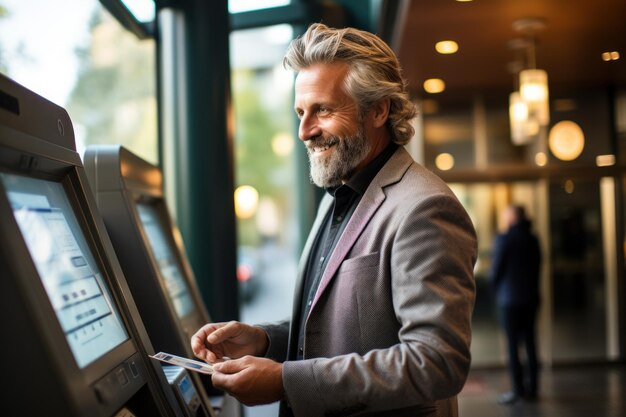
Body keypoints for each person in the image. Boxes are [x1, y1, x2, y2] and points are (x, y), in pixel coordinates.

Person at [191, 23, 477, 417]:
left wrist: (284, 380)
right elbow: (341, 330)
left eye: (323, 110)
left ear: (379, 109)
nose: (304, 131)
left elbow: (436, 362)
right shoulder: (339, 192)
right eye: (300, 112)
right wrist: (264, 341)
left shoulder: (424, 208)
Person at [488, 204, 541, 405]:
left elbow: (496, 272)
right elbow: (537, 267)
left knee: (512, 346)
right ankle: (533, 389)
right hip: (530, 298)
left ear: (512, 218)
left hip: (508, 301)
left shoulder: (505, 239)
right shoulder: (533, 239)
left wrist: (493, 291)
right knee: (530, 343)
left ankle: (518, 390)